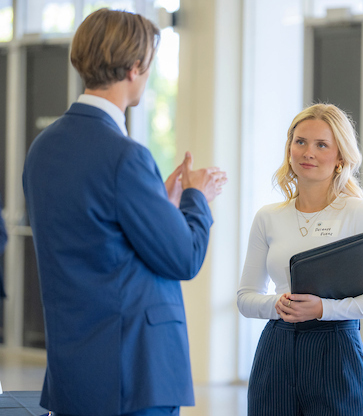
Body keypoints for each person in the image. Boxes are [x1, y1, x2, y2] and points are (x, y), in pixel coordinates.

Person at [22, 9, 227, 416]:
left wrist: (160, 200)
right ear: (135, 67)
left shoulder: (43, 148)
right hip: (134, 371)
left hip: (75, 369)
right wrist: (195, 197)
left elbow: (100, 236)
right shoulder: (124, 155)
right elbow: (183, 257)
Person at [237, 103, 363, 416]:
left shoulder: (357, 212)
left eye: (321, 144)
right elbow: (245, 298)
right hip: (277, 348)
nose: (308, 152)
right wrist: (276, 304)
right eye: (300, 142)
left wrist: (326, 308)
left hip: (336, 348)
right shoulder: (268, 217)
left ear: (340, 157)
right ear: (289, 149)